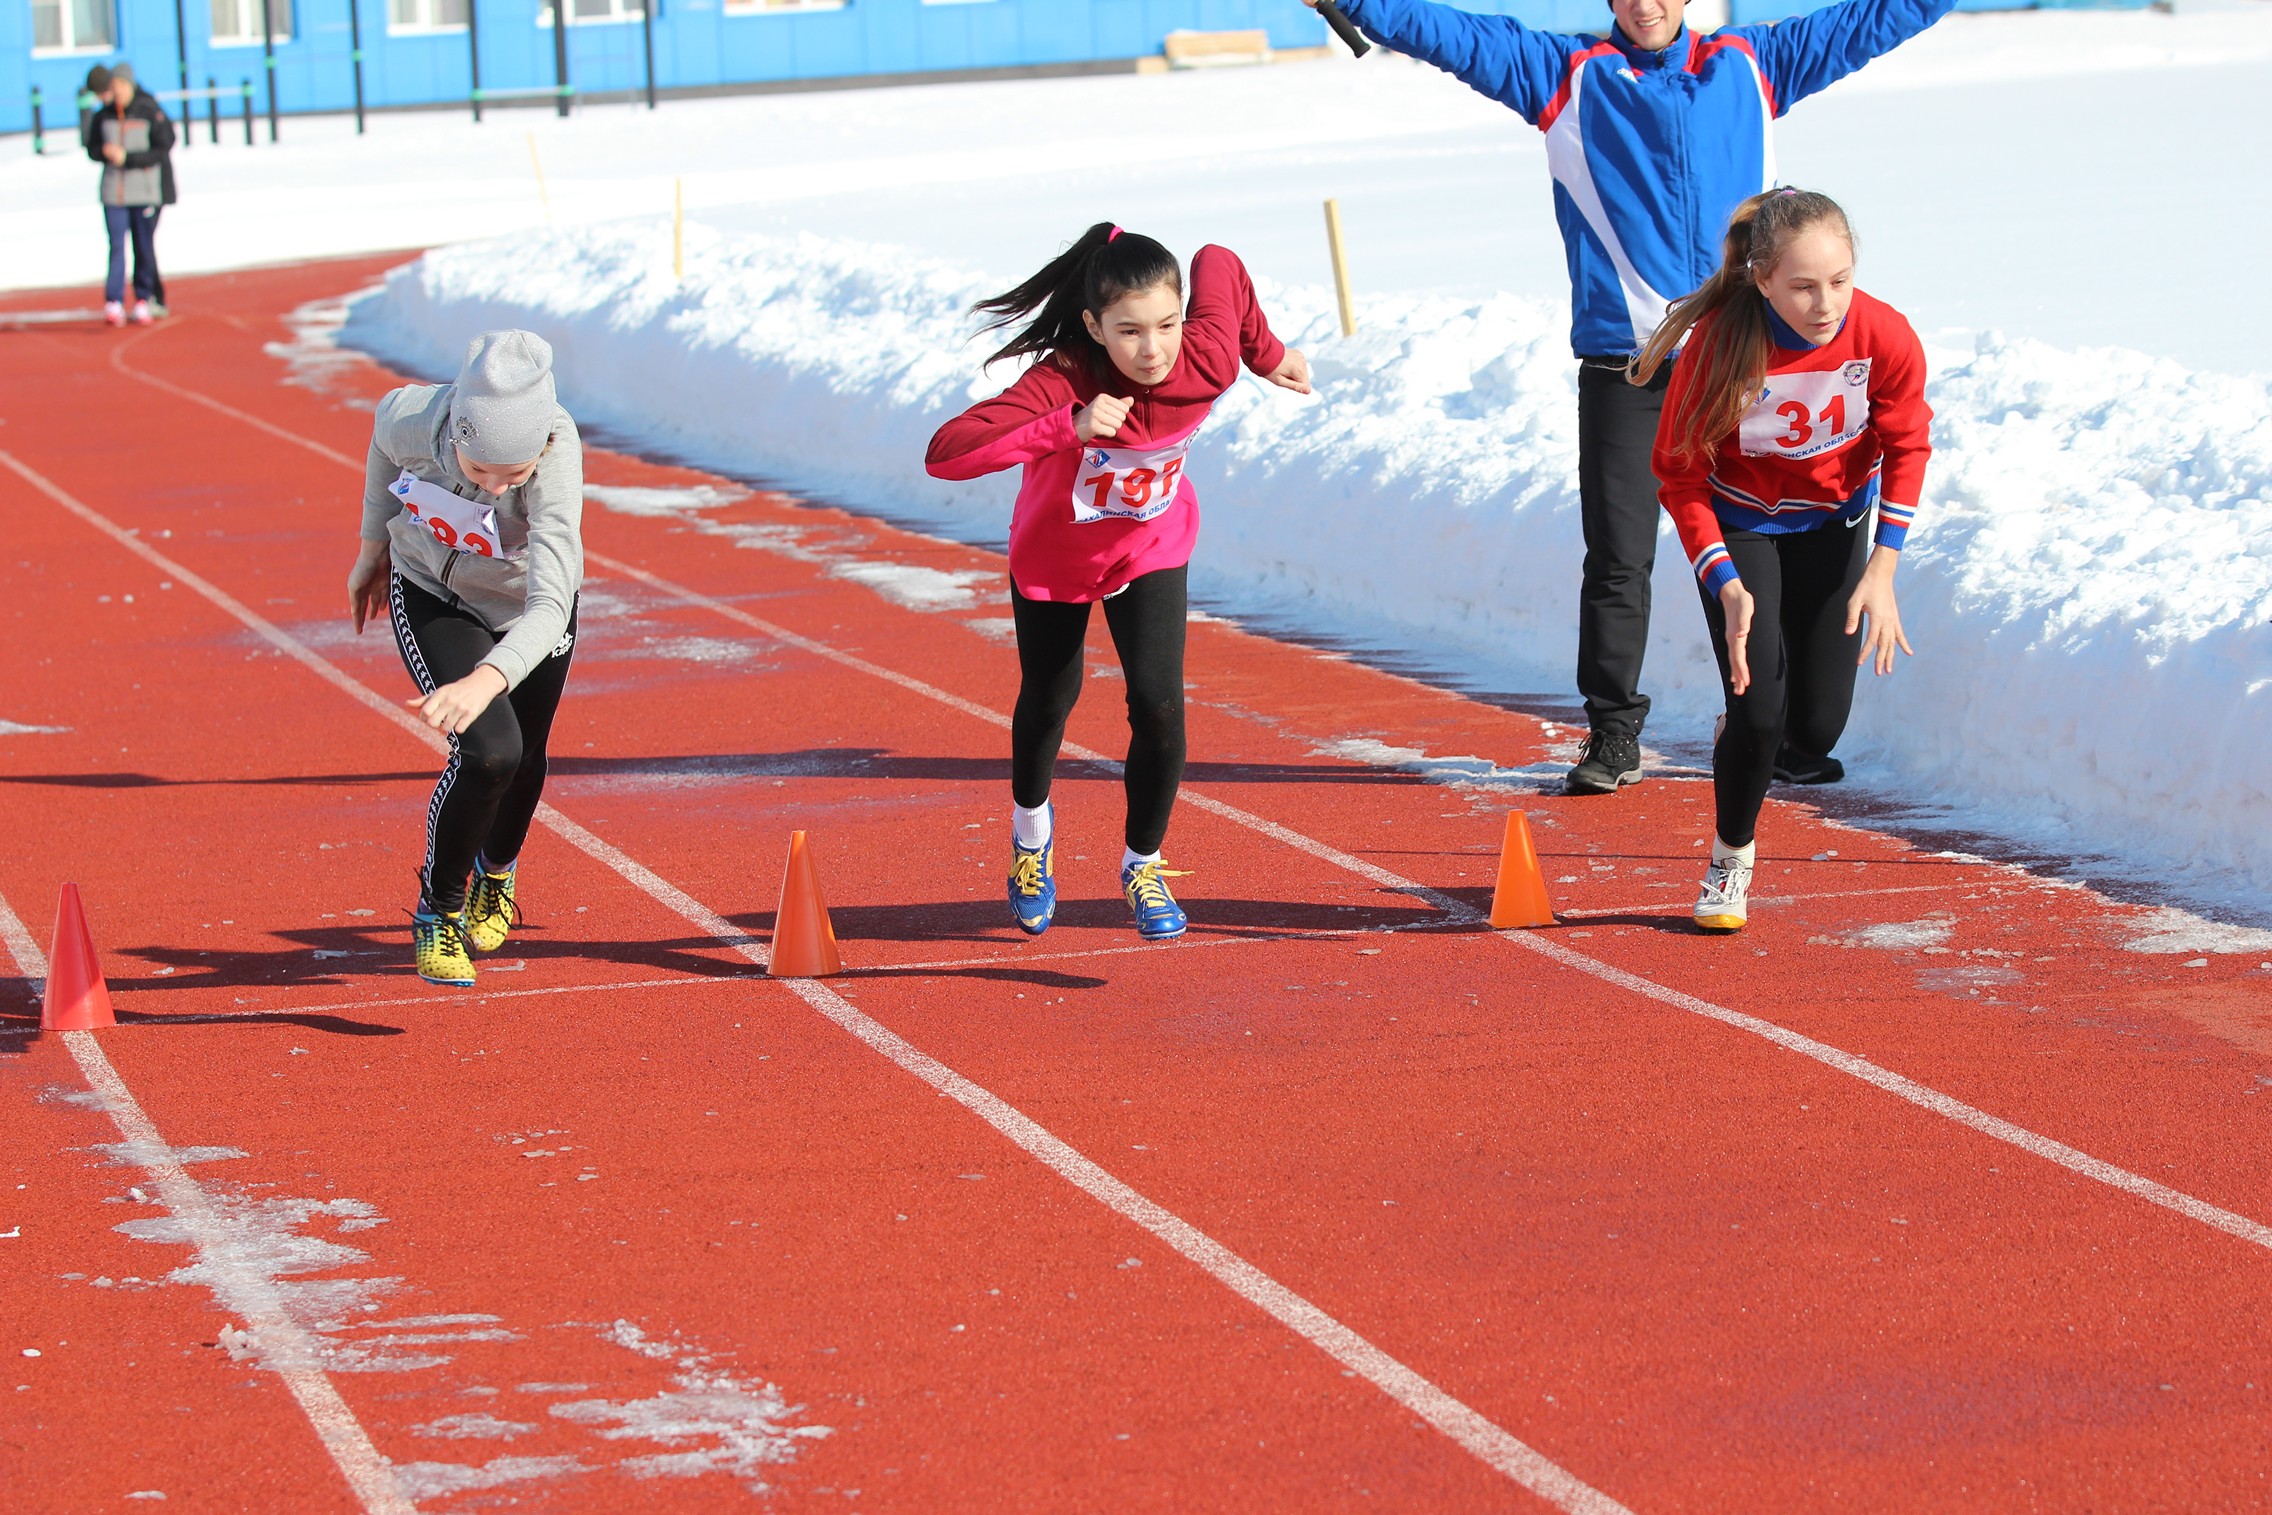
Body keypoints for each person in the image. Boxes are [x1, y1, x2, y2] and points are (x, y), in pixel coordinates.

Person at [1294, 0, 1952, 794]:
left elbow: (1870, 20)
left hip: (1738, 361)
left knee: (1774, 557)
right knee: (1618, 555)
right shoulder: (1565, 76)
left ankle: (1772, 720)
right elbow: (1455, 37)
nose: (1646, 3)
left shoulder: (1749, 65)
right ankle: (1613, 731)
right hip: (1628, 365)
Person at [925, 224, 1312, 941]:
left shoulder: (1205, 356)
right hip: (1056, 558)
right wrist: (1065, 424)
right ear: (1094, 328)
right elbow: (945, 454)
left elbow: (1219, 260)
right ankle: (1031, 838)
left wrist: (1267, 352)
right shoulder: (1065, 376)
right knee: (1049, 701)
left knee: (1160, 706)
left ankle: (1144, 864)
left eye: (1166, 324)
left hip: (1148, 547)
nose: (1152, 349)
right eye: (1129, 331)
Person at [1631, 188, 1929, 932]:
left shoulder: (1883, 334)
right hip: (1743, 529)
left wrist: (1883, 567)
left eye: (1839, 280)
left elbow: (1908, 444)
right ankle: (1731, 854)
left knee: (1817, 728)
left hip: (1833, 521)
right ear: (1762, 280)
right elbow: (1680, 475)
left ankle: (1763, 734)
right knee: (1759, 710)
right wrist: (1723, 582)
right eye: (1801, 286)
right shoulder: (1717, 350)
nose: (1825, 302)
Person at [347, 331, 586, 987]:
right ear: (456, 430)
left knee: (526, 757)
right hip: (434, 591)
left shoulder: (557, 458)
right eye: (477, 470)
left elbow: (550, 600)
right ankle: (437, 911)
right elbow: (379, 437)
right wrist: (373, 546)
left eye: (514, 475)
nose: (494, 486)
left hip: (526, 614)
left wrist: (490, 676)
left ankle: (496, 872)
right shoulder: (418, 417)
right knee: (489, 753)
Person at [81, 62, 175, 328]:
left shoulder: (147, 109)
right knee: (118, 245)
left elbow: (164, 145)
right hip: (115, 191)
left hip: (146, 190)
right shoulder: (105, 115)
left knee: (143, 244)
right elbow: (92, 147)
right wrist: (104, 152)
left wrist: (129, 159)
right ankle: (117, 300)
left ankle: (148, 297)